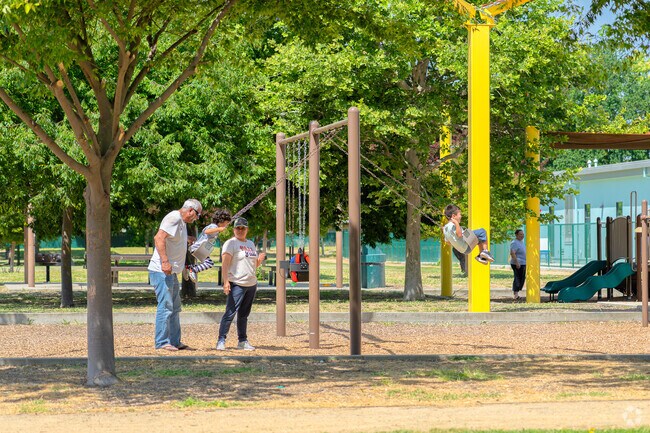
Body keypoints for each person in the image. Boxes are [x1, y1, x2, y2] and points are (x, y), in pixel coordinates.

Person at [148, 199, 202, 351]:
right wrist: (165, 261)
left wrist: (188, 240)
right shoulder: (174, 217)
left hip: (171, 272)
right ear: (191, 210)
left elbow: (174, 239)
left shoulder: (182, 223)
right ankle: (162, 342)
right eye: (197, 215)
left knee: (175, 307)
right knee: (165, 306)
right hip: (162, 271)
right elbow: (159, 238)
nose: (196, 218)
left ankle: (175, 341)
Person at [216, 217, 266, 351]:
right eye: (237, 228)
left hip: (251, 283)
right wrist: (226, 282)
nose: (240, 230)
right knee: (230, 312)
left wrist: (259, 260)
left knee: (244, 314)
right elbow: (225, 264)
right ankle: (221, 340)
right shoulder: (230, 243)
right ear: (234, 229)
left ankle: (242, 341)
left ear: (247, 229)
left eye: (243, 228)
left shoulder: (250, 244)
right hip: (237, 283)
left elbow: (252, 264)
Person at [184, 209, 232, 282]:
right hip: (198, 248)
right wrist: (218, 229)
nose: (226, 225)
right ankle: (192, 269)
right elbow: (207, 231)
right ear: (221, 221)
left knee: (209, 263)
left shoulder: (214, 227)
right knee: (209, 263)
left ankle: (188, 267)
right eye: (226, 223)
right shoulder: (213, 226)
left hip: (200, 248)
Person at [510, 229, 526, 300]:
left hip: (523, 263)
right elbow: (512, 253)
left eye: (523, 234)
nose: (522, 236)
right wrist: (517, 262)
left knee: (522, 278)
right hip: (517, 263)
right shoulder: (514, 243)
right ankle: (515, 294)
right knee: (517, 278)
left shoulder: (521, 242)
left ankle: (517, 293)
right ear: (516, 235)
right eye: (520, 234)